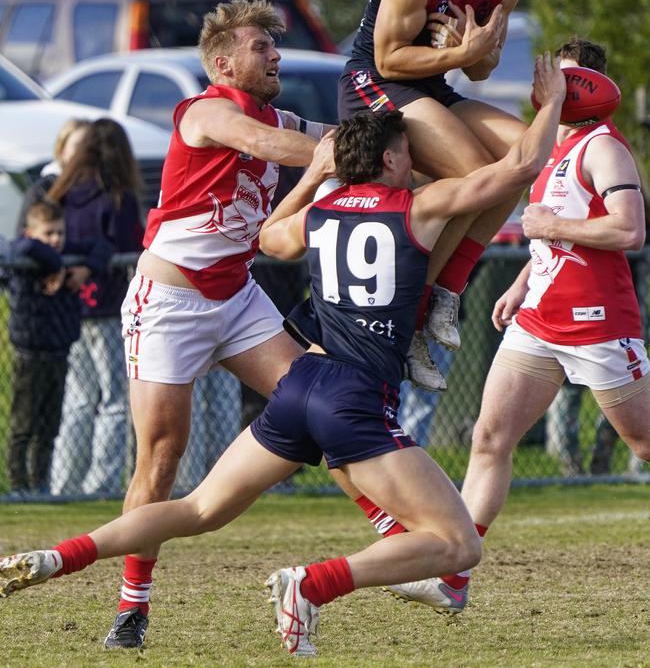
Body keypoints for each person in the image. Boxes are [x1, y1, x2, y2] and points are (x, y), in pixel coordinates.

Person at [0, 55, 566, 657]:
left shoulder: (317, 214)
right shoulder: (418, 209)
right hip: (350, 398)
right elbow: (520, 165)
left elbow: (269, 236)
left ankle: (59, 556)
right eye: (407, 153)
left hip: (300, 384)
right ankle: (310, 584)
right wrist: (551, 101)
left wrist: (312, 179)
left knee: (196, 507)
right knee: (458, 545)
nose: (414, 161)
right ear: (393, 160)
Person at [94, 0, 336, 649]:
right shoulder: (208, 111)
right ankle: (131, 608)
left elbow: (325, 134)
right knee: (162, 455)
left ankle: (401, 534)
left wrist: (403, 130)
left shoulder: (272, 113)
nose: (276, 54)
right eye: (263, 46)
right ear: (224, 60)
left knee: (323, 402)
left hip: (234, 296)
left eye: (275, 45)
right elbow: (272, 145)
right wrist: (332, 154)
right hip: (169, 301)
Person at [419, 37, 650, 611]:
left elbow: (628, 232)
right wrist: (522, 284)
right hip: (539, 321)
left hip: (597, 322)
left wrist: (550, 224)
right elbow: (552, 233)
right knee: (491, 439)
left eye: (565, 80)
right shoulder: (551, 146)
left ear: (593, 87)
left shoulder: (605, 149)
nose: (549, 88)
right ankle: (454, 573)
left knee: (645, 445)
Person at [338, 0, 526, 388]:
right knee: (473, 175)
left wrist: (473, 51)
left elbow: (485, 67)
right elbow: (386, 58)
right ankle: (411, 314)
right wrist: (460, 55)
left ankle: (448, 287)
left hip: (432, 82)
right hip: (372, 83)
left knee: (526, 159)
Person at [47, 119, 145, 497]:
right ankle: (99, 484)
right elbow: (128, 241)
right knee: (114, 401)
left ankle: (63, 483)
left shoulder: (63, 191)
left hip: (69, 309)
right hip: (107, 306)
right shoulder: (115, 196)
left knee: (79, 400)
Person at [6, 201, 111, 496]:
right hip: (31, 354)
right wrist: (56, 264)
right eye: (49, 233)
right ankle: (18, 486)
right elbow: (23, 247)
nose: (56, 239)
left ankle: (40, 484)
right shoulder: (27, 257)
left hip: (60, 351)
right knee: (23, 424)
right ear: (32, 231)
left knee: (49, 426)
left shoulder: (70, 255)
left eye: (60, 233)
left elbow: (102, 247)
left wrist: (83, 269)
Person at [16, 118, 90, 235]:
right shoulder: (43, 189)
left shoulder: (102, 189)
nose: (84, 152)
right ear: (62, 149)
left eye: (90, 147)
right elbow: (22, 239)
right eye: (78, 146)